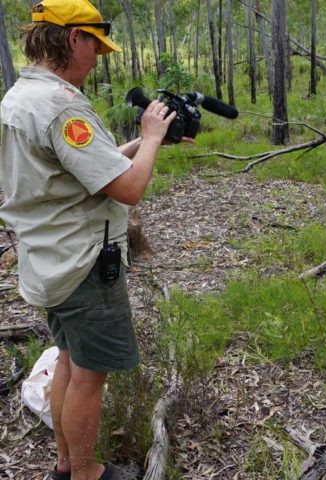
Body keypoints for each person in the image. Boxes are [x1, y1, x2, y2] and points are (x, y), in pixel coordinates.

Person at [0, 1, 189, 478]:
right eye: (95, 46)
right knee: (88, 376)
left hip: (48, 258)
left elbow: (87, 167)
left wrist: (147, 143)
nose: (98, 57)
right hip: (83, 263)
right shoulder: (61, 105)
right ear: (72, 39)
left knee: (69, 361)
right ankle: (86, 473)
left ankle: (68, 464)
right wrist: (147, 138)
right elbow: (127, 187)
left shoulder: (22, 96)